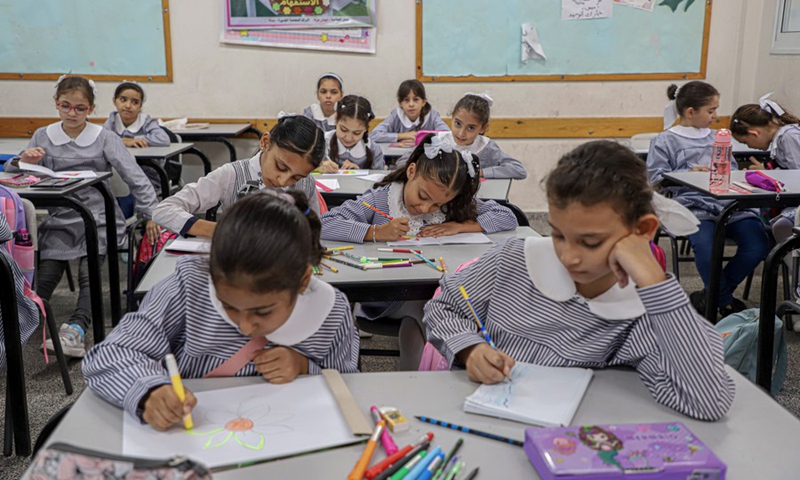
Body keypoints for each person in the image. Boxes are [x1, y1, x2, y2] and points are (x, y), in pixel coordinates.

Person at [425, 140, 734, 421]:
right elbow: (444, 307)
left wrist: (654, 282)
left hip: (571, 441)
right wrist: (471, 349)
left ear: (642, 230)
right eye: (558, 234)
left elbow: (707, 400)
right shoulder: (515, 259)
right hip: (480, 418)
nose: (569, 256)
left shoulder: (641, 312)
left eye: (590, 242)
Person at [83, 191, 359, 430]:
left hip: (289, 439)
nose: (245, 326)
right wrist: (150, 391)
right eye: (229, 307)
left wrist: (303, 366)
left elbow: (350, 386)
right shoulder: (191, 284)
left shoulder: (329, 311)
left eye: (262, 312)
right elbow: (111, 353)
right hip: (193, 441)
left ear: (302, 282)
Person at [321, 133, 517, 370]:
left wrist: (459, 225)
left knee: (423, 316)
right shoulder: (382, 199)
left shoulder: (447, 206)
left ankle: (415, 375)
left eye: (436, 205)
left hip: (431, 291)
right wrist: (375, 232)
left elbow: (506, 216)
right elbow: (326, 222)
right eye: (423, 196)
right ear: (411, 171)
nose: (425, 208)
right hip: (385, 297)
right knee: (432, 308)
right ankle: (442, 369)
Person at [5, 75, 158, 357]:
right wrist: (24, 159)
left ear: (91, 108)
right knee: (45, 275)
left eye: (80, 108)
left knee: (90, 276)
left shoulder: (104, 137)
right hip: (60, 220)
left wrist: (150, 215)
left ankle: (76, 329)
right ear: (56, 104)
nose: (72, 113)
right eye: (65, 106)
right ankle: (18, 325)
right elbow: (14, 175)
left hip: (97, 219)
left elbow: (136, 178)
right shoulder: (43, 135)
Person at [647, 81, 769, 317]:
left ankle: (711, 297)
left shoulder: (719, 137)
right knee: (706, 247)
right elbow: (654, 179)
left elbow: (731, 169)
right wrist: (689, 174)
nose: (715, 115)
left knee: (757, 244)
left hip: (728, 203)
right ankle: (724, 302)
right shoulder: (664, 141)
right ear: (690, 112)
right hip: (692, 206)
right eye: (711, 111)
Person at [152, 115, 325, 238]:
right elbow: (163, 210)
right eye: (280, 166)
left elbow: (315, 228)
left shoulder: (305, 182)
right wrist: (222, 231)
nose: (283, 181)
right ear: (265, 143)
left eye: (295, 177)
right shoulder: (232, 175)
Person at [369, 79, 449, 144]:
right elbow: (373, 135)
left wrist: (419, 138)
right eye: (406, 100)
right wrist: (404, 136)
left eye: (416, 99)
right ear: (400, 103)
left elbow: (447, 135)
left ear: (423, 102)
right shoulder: (396, 115)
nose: (411, 104)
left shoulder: (432, 116)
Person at [318, 95, 384, 172]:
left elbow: (380, 180)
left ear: (366, 128)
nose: (349, 138)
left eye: (357, 133)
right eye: (343, 130)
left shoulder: (374, 151)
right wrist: (319, 167)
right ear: (336, 119)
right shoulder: (320, 142)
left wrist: (359, 173)